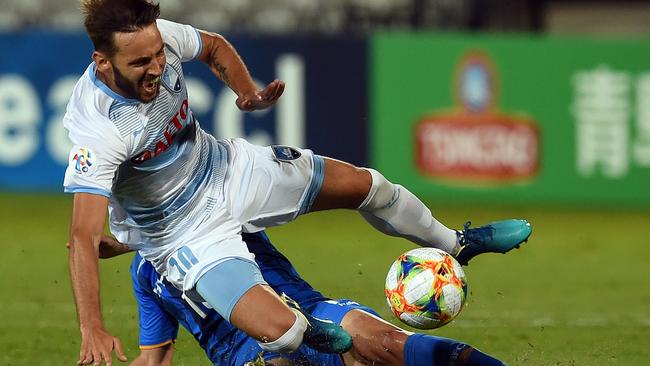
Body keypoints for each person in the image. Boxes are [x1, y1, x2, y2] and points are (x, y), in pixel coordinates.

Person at [63, 0, 532, 365]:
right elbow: (81, 238)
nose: (158, 66)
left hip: (228, 170)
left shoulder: (155, 38)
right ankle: (311, 329)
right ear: (102, 63)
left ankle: (457, 243)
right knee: (281, 332)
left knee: (370, 186)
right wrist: (93, 326)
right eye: (141, 62)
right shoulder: (97, 129)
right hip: (187, 234)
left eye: (159, 54)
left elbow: (212, 47)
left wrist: (246, 92)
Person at [99, 232, 507, 366]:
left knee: (380, 342)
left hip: (310, 312)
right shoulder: (144, 276)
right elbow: (155, 357)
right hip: (250, 357)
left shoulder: (221, 216)